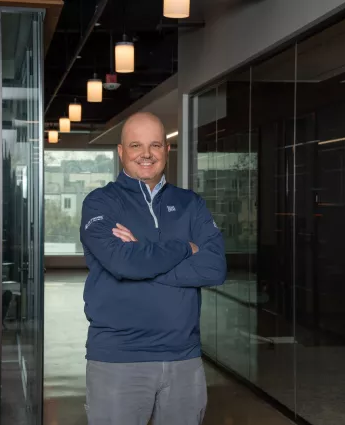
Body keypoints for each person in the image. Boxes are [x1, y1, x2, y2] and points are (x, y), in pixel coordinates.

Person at [80, 112, 227, 425]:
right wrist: (185, 248)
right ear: (121, 151)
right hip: (119, 359)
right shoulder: (100, 203)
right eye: (136, 145)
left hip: (184, 360)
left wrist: (142, 258)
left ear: (167, 150)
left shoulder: (191, 204)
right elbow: (122, 263)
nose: (146, 154)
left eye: (155, 145)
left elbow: (215, 267)